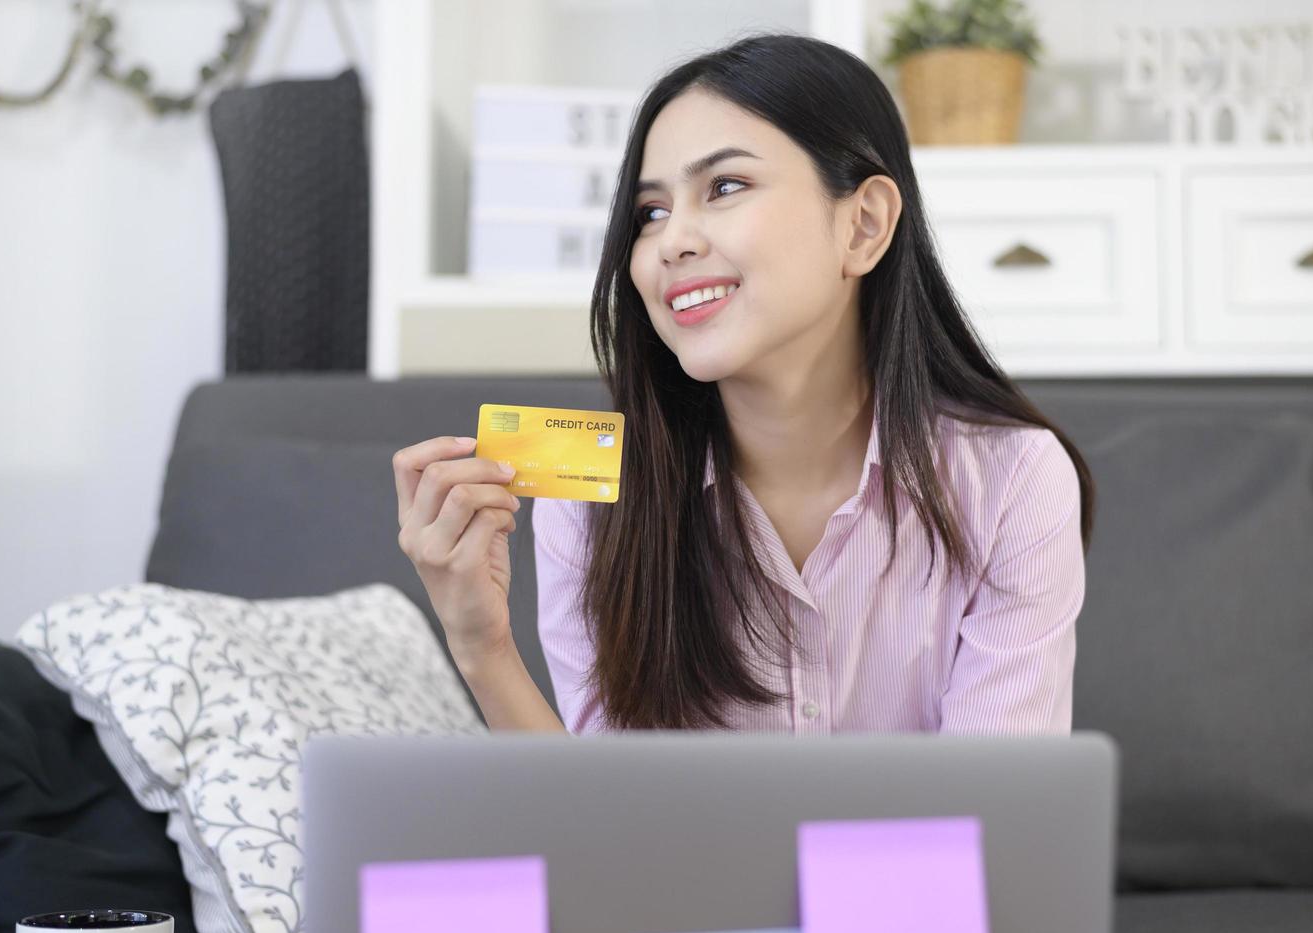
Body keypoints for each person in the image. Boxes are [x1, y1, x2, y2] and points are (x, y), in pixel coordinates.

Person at [393, 32, 1095, 736]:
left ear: (864, 224)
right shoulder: (586, 507)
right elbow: (601, 821)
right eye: (650, 213)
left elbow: (990, 818)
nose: (672, 241)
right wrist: (481, 647)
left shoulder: (1012, 482)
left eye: (724, 187)